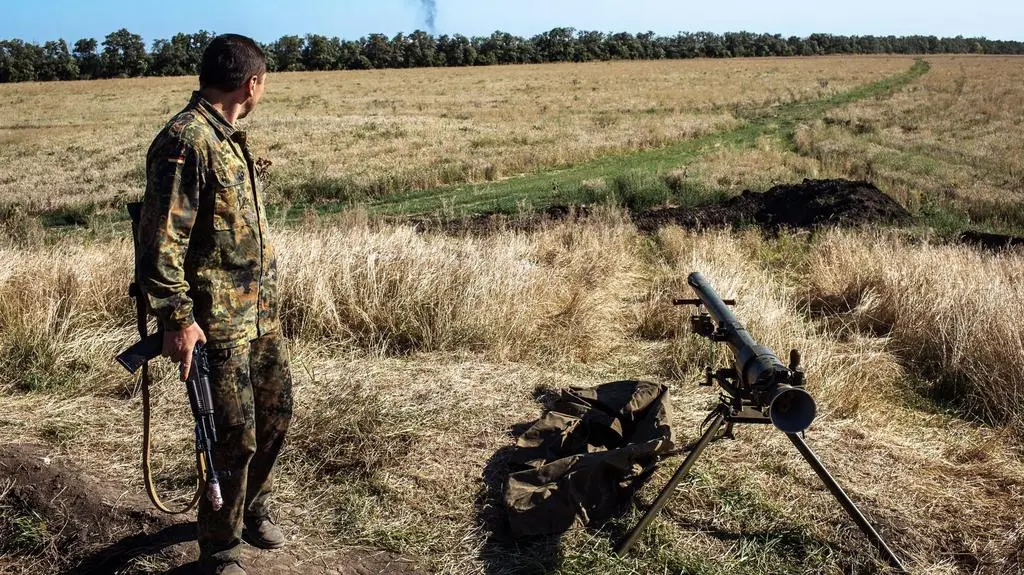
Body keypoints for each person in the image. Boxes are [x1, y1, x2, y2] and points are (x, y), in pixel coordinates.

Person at [137, 33, 292, 575]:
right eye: (264, 81)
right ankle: (220, 548)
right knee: (231, 438)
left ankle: (253, 509)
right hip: (214, 325)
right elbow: (160, 242)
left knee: (274, 417)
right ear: (252, 84)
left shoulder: (227, 136)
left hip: (260, 316)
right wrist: (177, 319)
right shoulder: (185, 139)